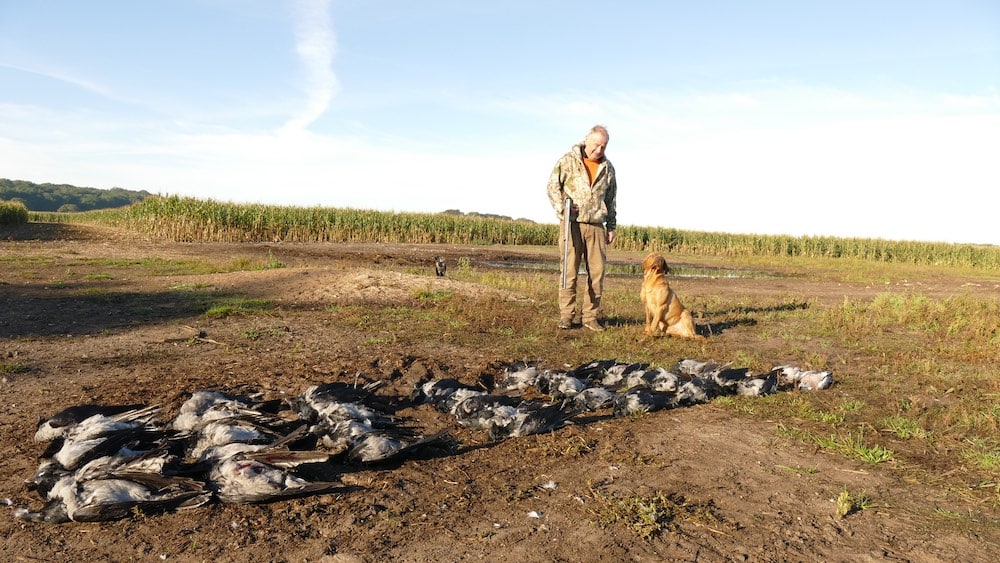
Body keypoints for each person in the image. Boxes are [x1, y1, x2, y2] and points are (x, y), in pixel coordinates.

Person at [546, 124, 617, 331]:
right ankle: (566, 316)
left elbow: (611, 199)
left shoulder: (608, 168)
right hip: (571, 224)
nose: (599, 150)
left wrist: (611, 226)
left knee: (597, 273)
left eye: (603, 147)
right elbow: (552, 187)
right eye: (596, 145)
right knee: (569, 270)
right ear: (587, 141)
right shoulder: (568, 161)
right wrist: (562, 209)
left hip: (596, 226)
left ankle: (590, 317)